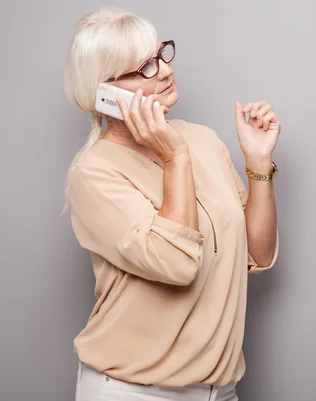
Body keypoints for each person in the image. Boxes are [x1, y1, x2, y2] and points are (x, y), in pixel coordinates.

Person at [64, 7, 280, 401]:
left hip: (220, 391)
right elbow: (177, 264)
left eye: (161, 54)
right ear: (104, 93)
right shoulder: (94, 173)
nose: (164, 70)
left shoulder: (201, 140)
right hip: (136, 392)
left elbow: (257, 255)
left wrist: (258, 163)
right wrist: (174, 159)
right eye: (142, 67)